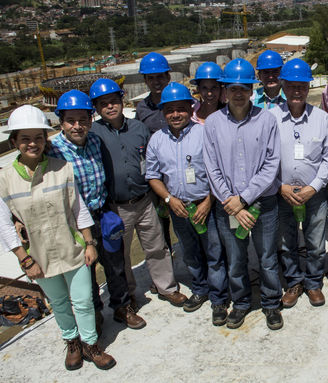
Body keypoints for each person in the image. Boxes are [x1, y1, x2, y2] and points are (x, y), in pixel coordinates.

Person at [0, 105, 116, 370]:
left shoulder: (61, 168)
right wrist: (25, 260)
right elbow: (4, 225)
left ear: (45, 139)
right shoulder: (4, 179)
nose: (33, 143)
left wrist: (89, 242)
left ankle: (91, 345)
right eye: (25, 138)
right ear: (14, 141)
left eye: (38, 137)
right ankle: (71, 342)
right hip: (38, 256)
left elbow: (77, 208)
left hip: (71, 248)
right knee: (59, 303)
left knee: (84, 300)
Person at [48, 88, 145, 333]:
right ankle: (94, 313)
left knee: (114, 264)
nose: (77, 126)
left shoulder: (95, 141)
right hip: (75, 223)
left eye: (83, 120)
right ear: (61, 122)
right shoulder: (53, 150)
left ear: (91, 120)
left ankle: (122, 307)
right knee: (85, 271)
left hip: (102, 213)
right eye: (71, 121)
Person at [89, 78, 187, 309]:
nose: (110, 107)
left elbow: (152, 164)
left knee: (157, 246)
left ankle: (167, 287)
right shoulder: (93, 135)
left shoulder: (139, 129)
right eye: (104, 104)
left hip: (144, 201)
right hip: (116, 207)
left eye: (114, 101)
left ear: (122, 101)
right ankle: (129, 294)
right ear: (96, 108)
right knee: (120, 255)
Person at [203, 58, 283, 330]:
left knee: (268, 259)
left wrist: (244, 199)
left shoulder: (267, 119)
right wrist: (233, 203)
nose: (238, 93)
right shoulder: (212, 123)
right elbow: (211, 167)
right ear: (225, 90)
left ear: (252, 90)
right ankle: (240, 303)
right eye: (233, 88)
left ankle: (272, 303)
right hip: (228, 206)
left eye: (244, 88)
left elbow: (272, 164)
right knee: (235, 260)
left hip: (264, 203)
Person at [145, 82, 229, 324]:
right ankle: (201, 289)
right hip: (179, 208)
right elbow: (152, 175)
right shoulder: (157, 140)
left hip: (207, 207)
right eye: (169, 110)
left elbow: (219, 171)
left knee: (214, 253)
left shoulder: (204, 134)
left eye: (181, 109)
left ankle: (219, 298)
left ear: (190, 108)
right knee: (190, 252)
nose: (175, 114)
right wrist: (169, 199)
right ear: (163, 112)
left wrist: (207, 201)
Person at [270, 59, 328, 308]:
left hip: (313, 194)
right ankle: (294, 281)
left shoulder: (321, 119)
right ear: (283, 86)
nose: (297, 91)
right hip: (282, 193)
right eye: (291, 86)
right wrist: (280, 186)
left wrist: (313, 187)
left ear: (308, 87)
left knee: (316, 244)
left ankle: (314, 282)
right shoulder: (270, 118)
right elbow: (264, 160)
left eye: (302, 86)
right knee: (286, 243)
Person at [135, 51, 173, 256]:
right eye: (151, 78)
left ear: (168, 77)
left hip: (182, 170)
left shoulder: (180, 99)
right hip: (157, 176)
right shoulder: (142, 109)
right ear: (145, 81)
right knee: (159, 224)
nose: (156, 82)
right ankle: (167, 262)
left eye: (160, 77)